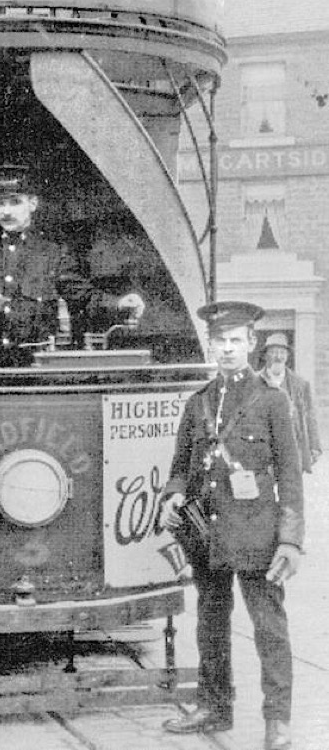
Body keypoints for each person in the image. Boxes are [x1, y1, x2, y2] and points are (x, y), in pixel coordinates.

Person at [159, 301, 304, 750]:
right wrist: (173, 494)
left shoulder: (273, 401)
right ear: (211, 344)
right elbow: (180, 466)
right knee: (211, 623)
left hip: (259, 535)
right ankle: (214, 707)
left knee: (269, 629)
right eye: (219, 341)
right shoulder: (199, 401)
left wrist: (291, 542)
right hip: (209, 534)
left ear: (251, 344)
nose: (226, 349)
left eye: (235, 341)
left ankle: (277, 721)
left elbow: (290, 479)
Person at [0, 167, 144, 366]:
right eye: (0, 204)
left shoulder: (53, 253)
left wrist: (120, 303)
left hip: (36, 367)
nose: (6, 212)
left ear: (33, 204)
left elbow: (83, 297)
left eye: (15, 202)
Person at [259, 332, 322, 472]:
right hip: (263, 448)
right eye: (273, 352)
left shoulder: (300, 384)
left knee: (291, 490)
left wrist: (314, 446)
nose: (278, 357)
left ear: (287, 356)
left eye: (282, 352)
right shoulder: (253, 382)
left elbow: (310, 415)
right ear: (265, 356)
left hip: (293, 447)